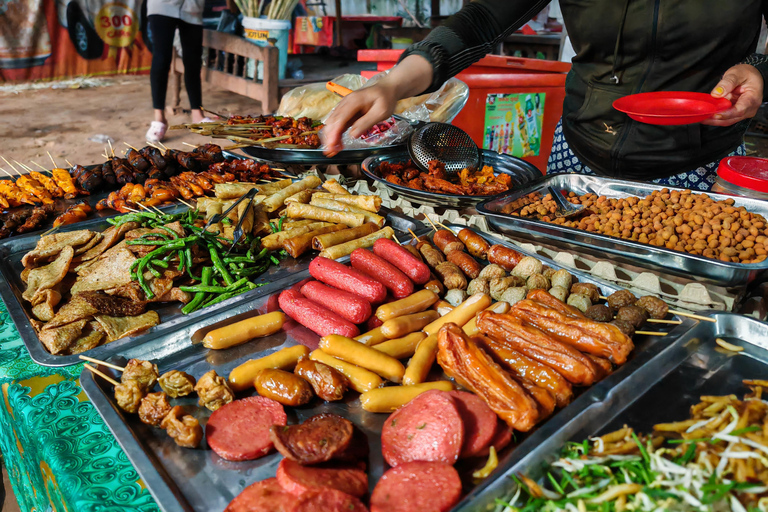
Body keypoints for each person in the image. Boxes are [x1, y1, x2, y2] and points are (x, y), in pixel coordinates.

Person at [324, 1, 768, 191]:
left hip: (701, 164)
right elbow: (482, 20)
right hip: (579, 156)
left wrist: (760, 72)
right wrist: (394, 82)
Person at [145, 0, 210, 142]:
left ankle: (197, 114)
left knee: (193, 59)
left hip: (192, 5)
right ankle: (159, 118)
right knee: (161, 58)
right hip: (162, 5)